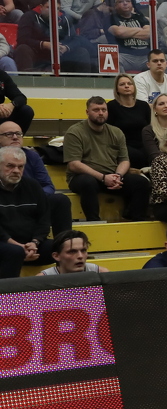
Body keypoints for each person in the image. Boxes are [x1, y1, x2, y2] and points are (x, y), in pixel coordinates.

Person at [64, 97, 151, 222]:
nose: (101, 113)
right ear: (87, 112)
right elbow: (74, 164)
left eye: (103, 110)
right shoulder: (75, 132)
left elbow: (124, 160)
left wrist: (118, 176)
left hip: (112, 176)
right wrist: (103, 178)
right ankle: (94, 221)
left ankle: (135, 221)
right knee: (87, 182)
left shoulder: (116, 132)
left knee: (141, 183)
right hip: (85, 177)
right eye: (96, 110)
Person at [0, 144, 53, 278]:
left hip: (30, 245)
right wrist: (17, 246)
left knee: (62, 247)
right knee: (14, 252)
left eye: (20, 167)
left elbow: (44, 220)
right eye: (10, 166)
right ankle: (9, 291)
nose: (16, 171)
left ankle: (69, 289)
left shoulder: (33, 186)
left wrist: (35, 242)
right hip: (4, 244)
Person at [107, 73, 153, 168]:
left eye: (129, 83)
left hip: (143, 144)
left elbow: (150, 127)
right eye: (122, 84)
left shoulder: (143, 106)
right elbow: (108, 132)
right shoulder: (111, 106)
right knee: (137, 156)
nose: (126, 86)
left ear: (134, 87)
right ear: (117, 89)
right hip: (122, 146)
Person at [40, 230, 107, 275]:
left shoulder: (101, 274)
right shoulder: (43, 280)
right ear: (56, 256)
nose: (80, 256)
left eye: (83, 250)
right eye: (72, 252)